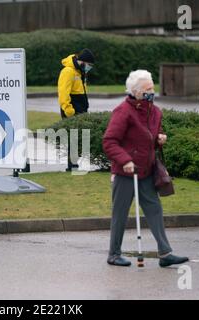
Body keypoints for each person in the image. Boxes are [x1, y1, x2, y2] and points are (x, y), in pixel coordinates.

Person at [102, 70, 189, 268]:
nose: (152, 91)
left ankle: (165, 253)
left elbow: (150, 136)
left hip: (147, 170)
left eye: (152, 87)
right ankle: (114, 254)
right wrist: (124, 160)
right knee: (120, 212)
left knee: (155, 209)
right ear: (136, 91)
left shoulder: (155, 111)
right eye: (148, 89)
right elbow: (109, 141)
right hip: (126, 173)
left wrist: (159, 139)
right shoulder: (123, 111)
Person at [57, 48, 95, 119]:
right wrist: (69, 111)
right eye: (89, 65)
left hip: (81, 111)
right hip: (71, 113)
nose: (89, 67)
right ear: (82, 62)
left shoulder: (81, 72)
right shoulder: (68, 71)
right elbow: (63, 93)